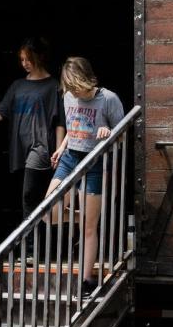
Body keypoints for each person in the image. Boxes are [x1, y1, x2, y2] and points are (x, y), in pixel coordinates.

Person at [0, 37, 65, 250]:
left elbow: (59, 121)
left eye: (27, 58)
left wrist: (58, 151)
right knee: (31, 196)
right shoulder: (18, 85)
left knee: (29, 195)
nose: (24, 63)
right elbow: (3, 109)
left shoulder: (53, 86)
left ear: (38, 57)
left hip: (42, 146)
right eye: (21, 60)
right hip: (21, 146)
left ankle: (30, 246)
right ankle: (37, 244)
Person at [47, 56, 124, 295]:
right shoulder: (68, 95)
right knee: (50, 212)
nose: (73, 93)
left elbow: (123, 134)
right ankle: (85, 217)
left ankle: (86, 280)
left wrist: (109, 132)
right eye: (69, 88)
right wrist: (62, 147)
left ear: (86, 80)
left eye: (76, 87)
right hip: (71, 157)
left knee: (89, 230)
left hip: (95, 161)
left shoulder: (108, 99)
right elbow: (73, 125)